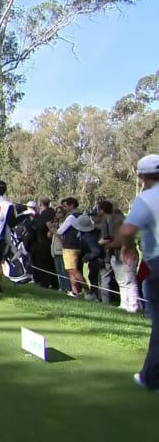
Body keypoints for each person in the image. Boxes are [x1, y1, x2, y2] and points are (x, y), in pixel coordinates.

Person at [118, 154, 159, 391]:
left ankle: (151, 377)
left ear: (143, 176)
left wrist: (127, 246)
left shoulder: (147, 198)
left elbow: (128, 229)